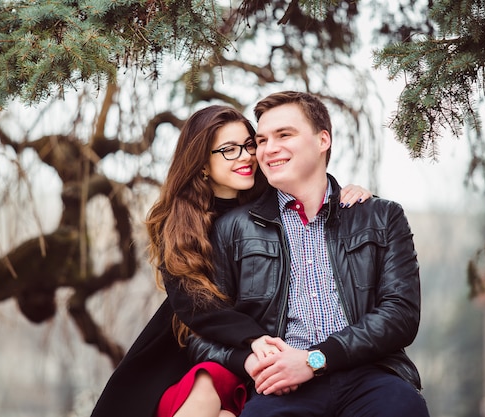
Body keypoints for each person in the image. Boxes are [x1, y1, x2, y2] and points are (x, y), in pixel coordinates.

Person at [90, 104, 372, 417]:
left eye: (250, 145)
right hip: (198, 343)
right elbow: (198, 307)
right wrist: (254, 341)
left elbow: (311, 196)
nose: (246, 156)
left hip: (268, 348)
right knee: (208, 386)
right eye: (229, 149)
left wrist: (345, 193)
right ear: (202, 165)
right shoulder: (182, 223)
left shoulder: (270, 201)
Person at [186, 91, 430, 417]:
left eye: (284, 135)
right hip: (280, 386)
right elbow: (203, 333)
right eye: (261, 140)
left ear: (322, 140)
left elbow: (401, 315)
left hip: (372, 375)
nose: (269, 148)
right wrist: (253, 361)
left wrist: (315, 360)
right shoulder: (233, 229)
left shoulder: (380, 216)